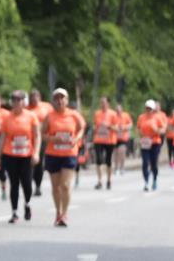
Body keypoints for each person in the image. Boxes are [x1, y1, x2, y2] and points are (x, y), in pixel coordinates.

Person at [0, 90, 41, 223]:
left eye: (19, 100)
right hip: (10, 154)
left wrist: (36, 153)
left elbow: (37, 136)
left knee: (26, 183)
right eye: (14, 100)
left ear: (24, 102)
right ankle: (14, 212)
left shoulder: (31, 116)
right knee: (14, 183)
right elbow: (2, 138)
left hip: (26, 155)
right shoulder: (7, 118)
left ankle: (27, 204)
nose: (16, 102)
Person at [42, 88, 84, 226]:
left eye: (62, 98)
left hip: (69, 154)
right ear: (53, 101)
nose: (59, 101)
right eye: (57, 98)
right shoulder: (49, 116)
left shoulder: (74, 115)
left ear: (67, 100)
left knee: (65, 185)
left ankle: (64, 214)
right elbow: (42, 134)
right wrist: (53, 139)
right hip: (53, 154)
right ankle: (58, 212)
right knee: (56, 187)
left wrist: (76, 139)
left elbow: (81, 129)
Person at [27, 89, 53, 196]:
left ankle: (38, 185)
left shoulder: (47, 107)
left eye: (36, 96)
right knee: (29, 163)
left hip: (42, 139)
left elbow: (53, 119)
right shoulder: (26, 109)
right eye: (32, 97)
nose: (34, 98)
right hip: (29, 140)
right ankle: (29, 183)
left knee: (39, 162)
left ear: (40, 97)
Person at [91, 96, 119, 190]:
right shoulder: (97, 113)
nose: (102, 104)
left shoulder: (113, 114)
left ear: (108, 103)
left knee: (108, 161)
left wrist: (109, 126)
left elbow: (117, 128)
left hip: (109, 141)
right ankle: (99, 181)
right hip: (98, 140)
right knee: (99, 160)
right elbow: (94, 125)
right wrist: (95, 128)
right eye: (101, 102)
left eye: (104, 102)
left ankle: (109, 180)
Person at [137, 99, 165, 192]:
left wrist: (156, 130)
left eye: (150, 109)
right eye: (147, 108)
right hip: (145, 143)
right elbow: (138, 128)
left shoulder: (157, 118)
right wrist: (140, 133)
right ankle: (146, 182)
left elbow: (163, 130)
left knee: (154, 163)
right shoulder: (141, 117)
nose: (148, 110)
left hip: (155, 142)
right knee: (145, 162)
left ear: (153, 109)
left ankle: (155, 179)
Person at [114, 103, 133, 175]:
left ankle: (122, 168)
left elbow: (130, 125)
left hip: (123, 138)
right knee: (116, 154)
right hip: (115, 138)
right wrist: (114, 127)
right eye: (117, 110)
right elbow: (110, 125)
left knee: (122, 152)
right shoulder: (114, 116)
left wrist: (125, 127)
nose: (118, 111)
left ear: (121, 109)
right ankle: (116, 168)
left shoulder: (126, 115)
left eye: (119, 110)